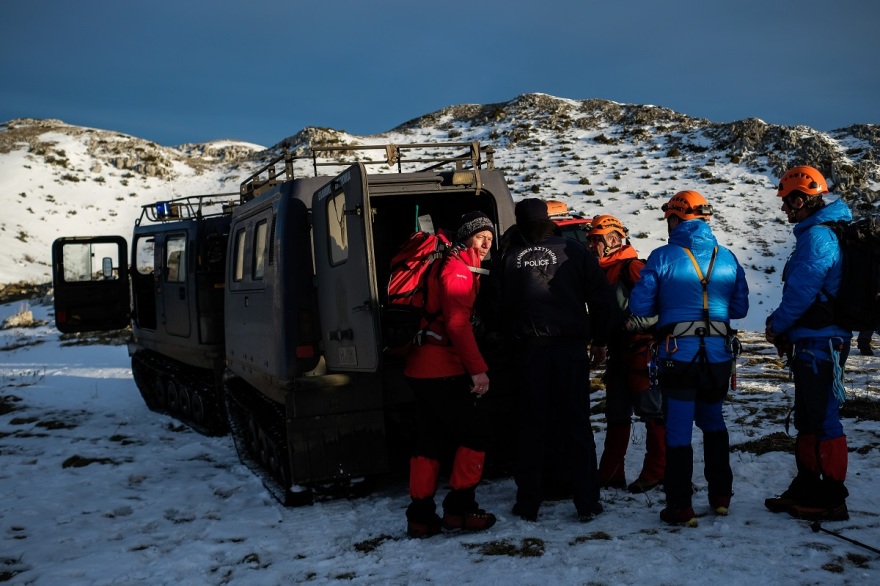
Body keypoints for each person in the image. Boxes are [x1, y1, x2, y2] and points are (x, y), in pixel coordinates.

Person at [629, 190, 749, 527]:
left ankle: (680, 506)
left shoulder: (663, 256)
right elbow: (739, 308)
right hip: (718, 356)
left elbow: (639, 306)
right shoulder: (727, 257)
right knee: (713, 422)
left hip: (678, 356)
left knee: (679, 429)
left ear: (676, 218)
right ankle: (721, 497)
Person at [496, 198, 613, 523]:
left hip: (527, 353)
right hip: (569, 351)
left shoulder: (507, 257)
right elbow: (602, 299)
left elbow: (494, 308)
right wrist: (600, 341)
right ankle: (587, 501)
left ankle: (529, 502)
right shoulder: (574, 252)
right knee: (576, 424)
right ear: (548, 220)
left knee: (530, 427)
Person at [764, 165, 853, 522]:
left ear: (803, 199)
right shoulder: (821, 234)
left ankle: (831, 499)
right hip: (817, 340)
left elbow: (802, 293)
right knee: (809, 418)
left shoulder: (818, 238)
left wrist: (776, 326)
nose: (785, 209)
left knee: (823, 420)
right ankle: (807, 487)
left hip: (821, 342)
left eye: (788, 202)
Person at [403, 211, 498, 538]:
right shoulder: (457, 268)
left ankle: (420, 517)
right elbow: (457, 325)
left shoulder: (452, 263)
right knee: (476, 434)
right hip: (442, 368)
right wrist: (478, 371)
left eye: (489, 237)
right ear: (466, 237)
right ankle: (461, 510)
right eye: (480, 236)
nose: (486, 242)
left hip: (421, 367)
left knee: (429, 440)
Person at [587, 215, 664, 494]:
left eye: (598, 239)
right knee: (616, 414)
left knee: (652, 412)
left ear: (614, 240)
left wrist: (633, 324)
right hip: (619, 351)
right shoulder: (601, 271)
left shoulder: (633, 267)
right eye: (592, 239)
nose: (593, 244)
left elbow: (659, 307)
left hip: (641, 350)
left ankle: (657, 470)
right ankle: (610, 474)